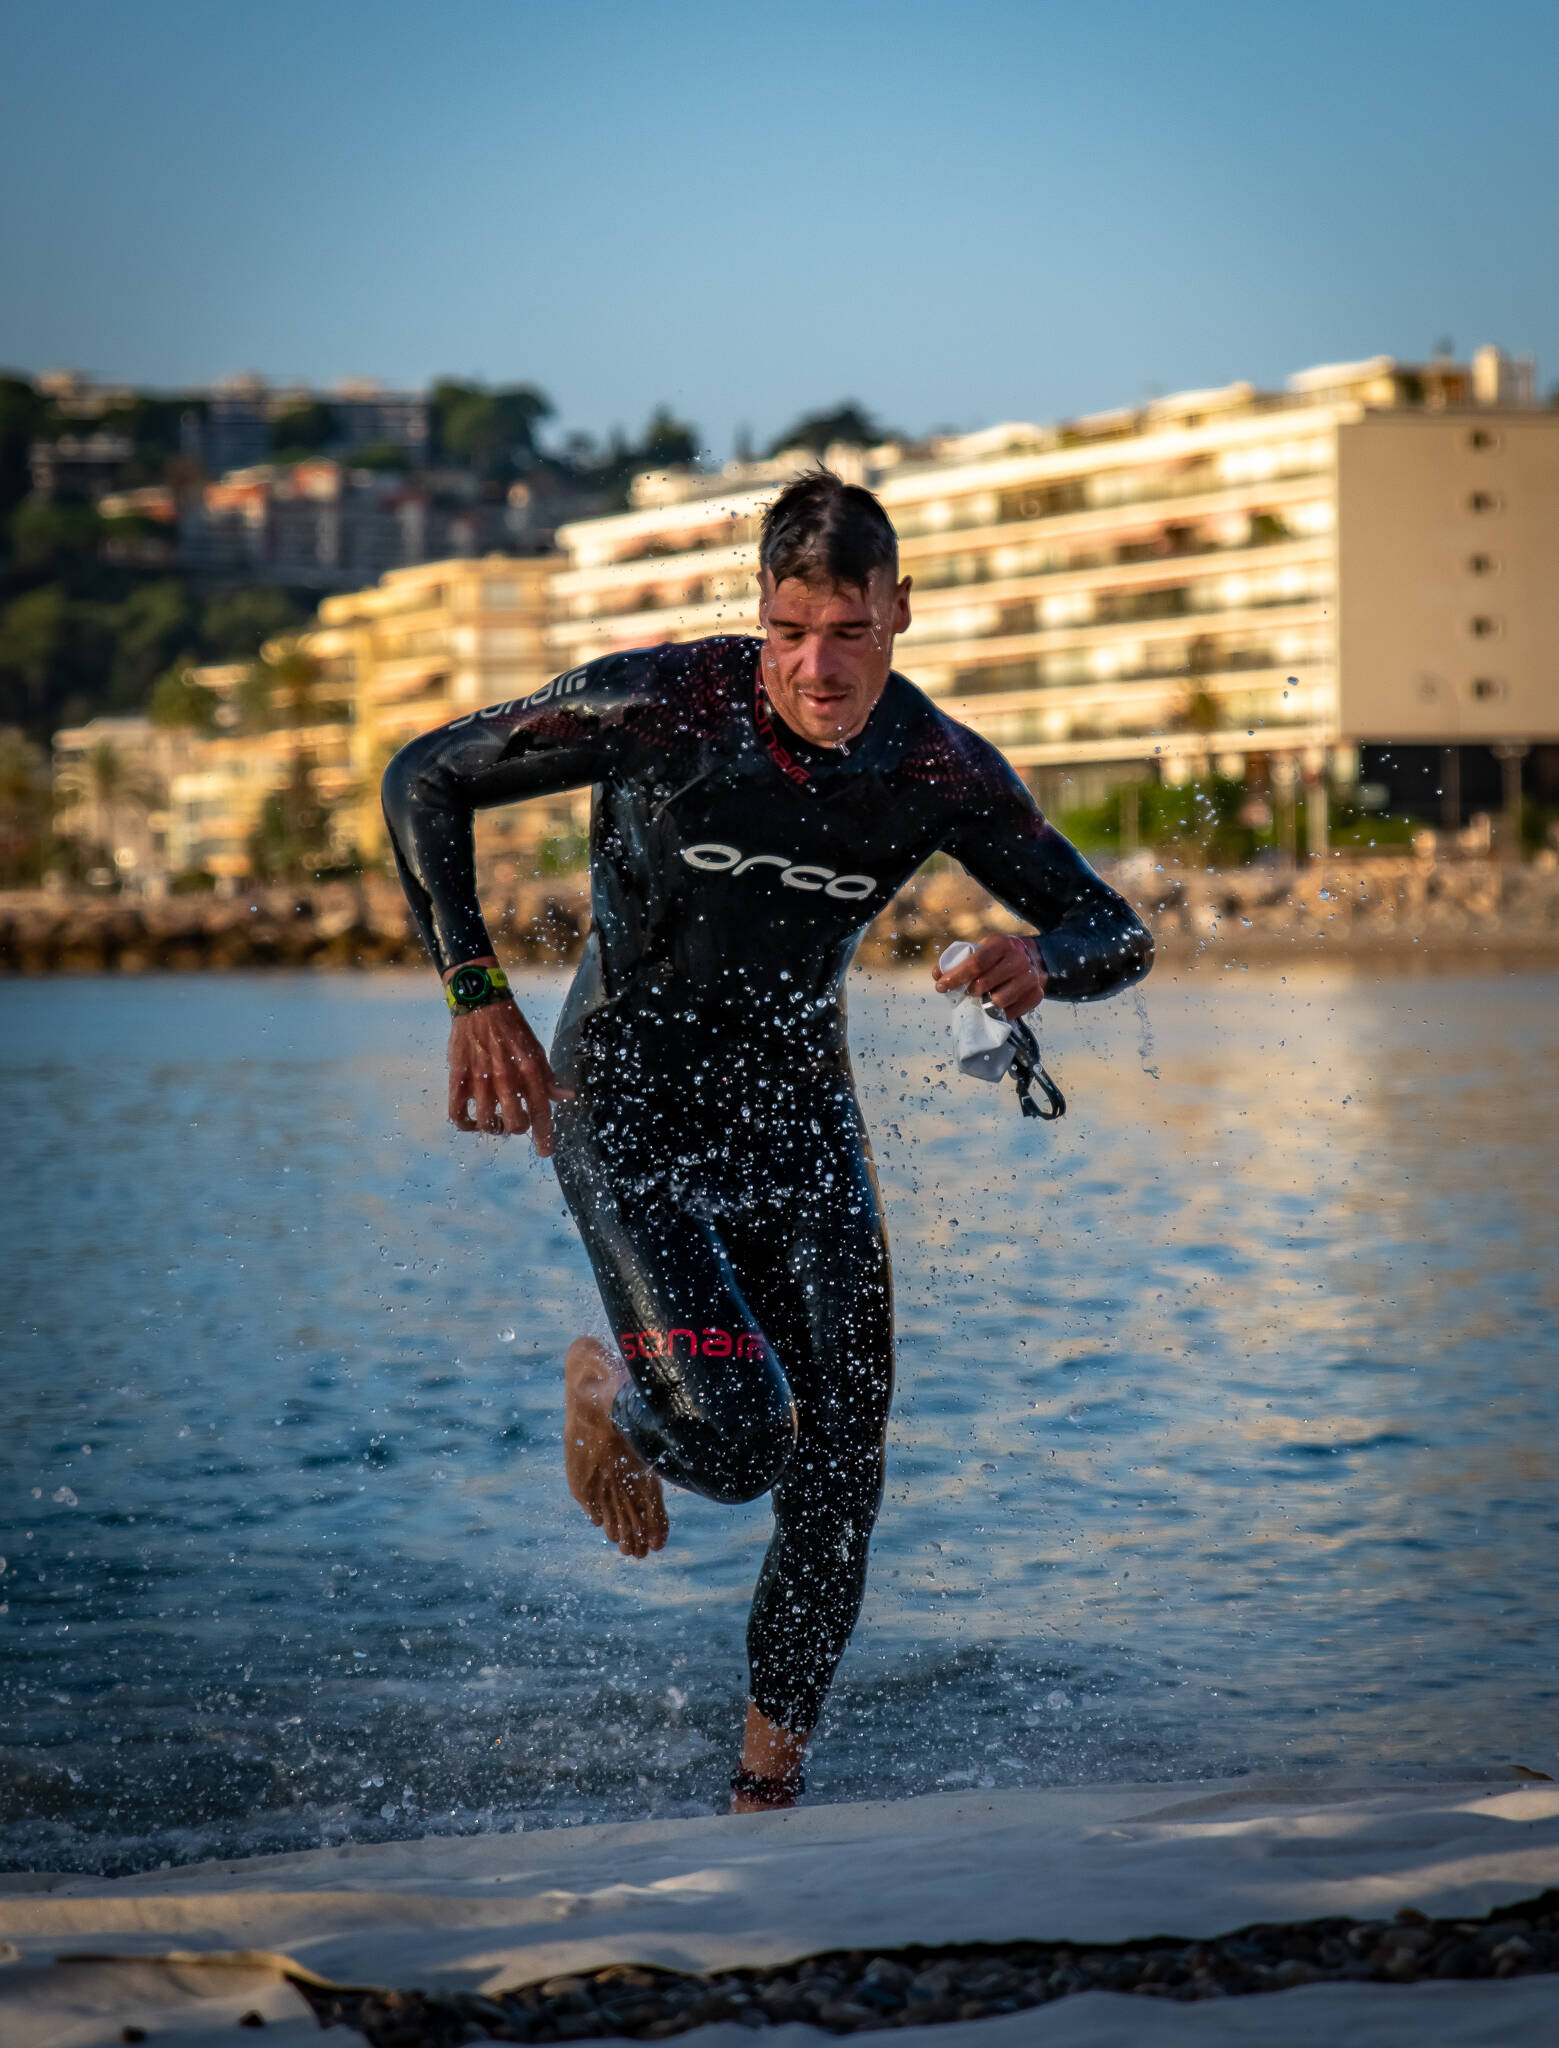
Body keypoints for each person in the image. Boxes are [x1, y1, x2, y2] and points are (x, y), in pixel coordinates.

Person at [382, 470, 1152, 1812]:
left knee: (843, 1459)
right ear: (761, 614)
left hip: (797, 1119)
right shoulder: (662, 706)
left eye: (849, 631)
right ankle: (600, 1391)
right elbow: (425, 778)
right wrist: (474, 991)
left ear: (898, 612)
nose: (817, 666)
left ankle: (764, 1793)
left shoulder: (935, 767)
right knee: (738, 1443)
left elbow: (1118, 930)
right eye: (791, 631)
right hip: (621, 1104)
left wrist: (1042, 957)